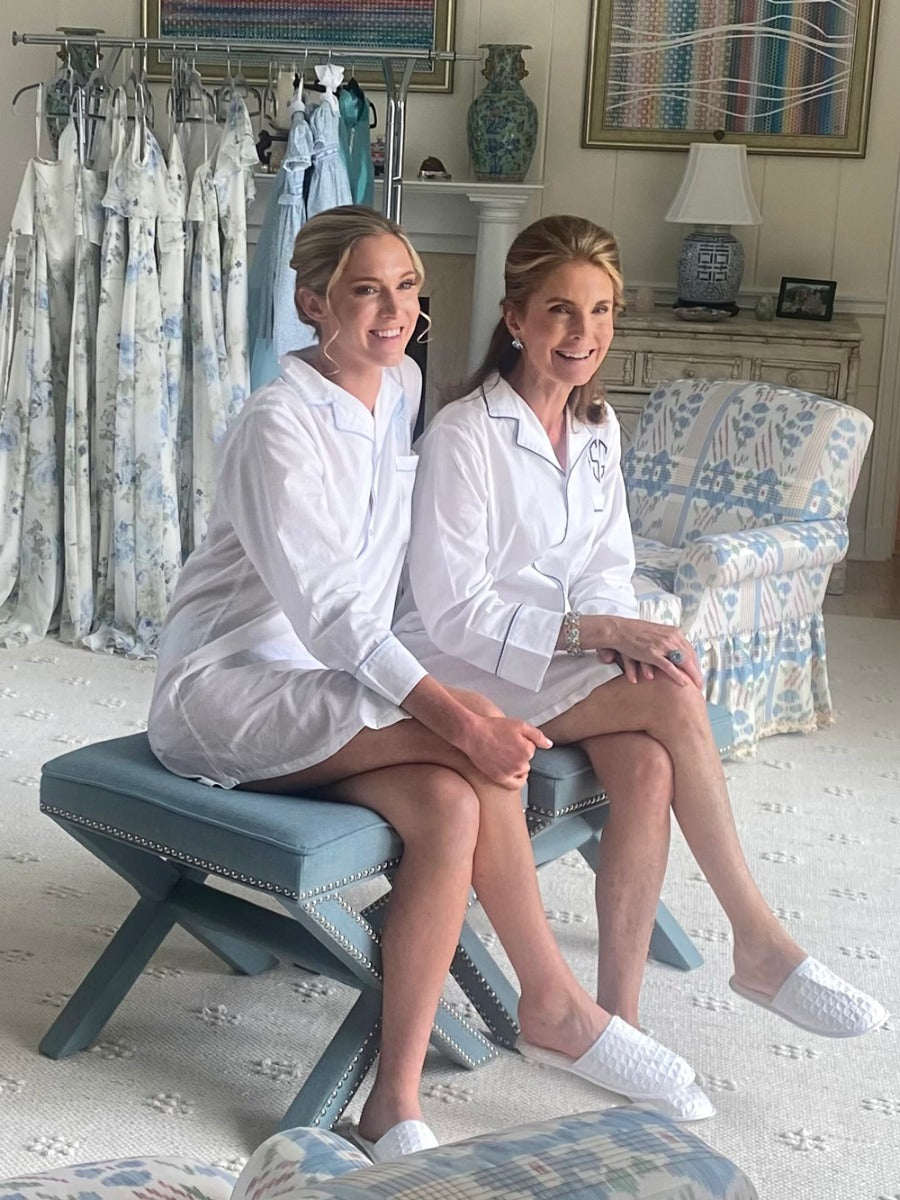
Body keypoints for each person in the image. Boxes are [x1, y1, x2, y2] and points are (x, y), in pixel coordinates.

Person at [147, 205, 707, 1162]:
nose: (394, 310)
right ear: (312, 302)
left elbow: (399, 579)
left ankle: (391, 1102)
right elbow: (332, 614)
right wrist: (458, 711)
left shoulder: (402, 385)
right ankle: (551, 1001)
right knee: (473, 735)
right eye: (366, 291)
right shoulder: (277, 423)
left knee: (449, 808)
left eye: (406, 288)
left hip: (336, 687)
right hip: (233, 688)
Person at [393, 214, 888, 1117]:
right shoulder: (462, 435)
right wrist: (598, 633)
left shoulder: (598, 427)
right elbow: (454, 610)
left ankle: (618, 1020)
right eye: (560, 310)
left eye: (602, 311)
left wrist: (620, 628)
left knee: (653, 757)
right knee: (667, 702)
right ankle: (759, 942)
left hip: (553, 655)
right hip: (461, 664)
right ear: (514, 316)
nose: (583, 333)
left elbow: (607, 569)